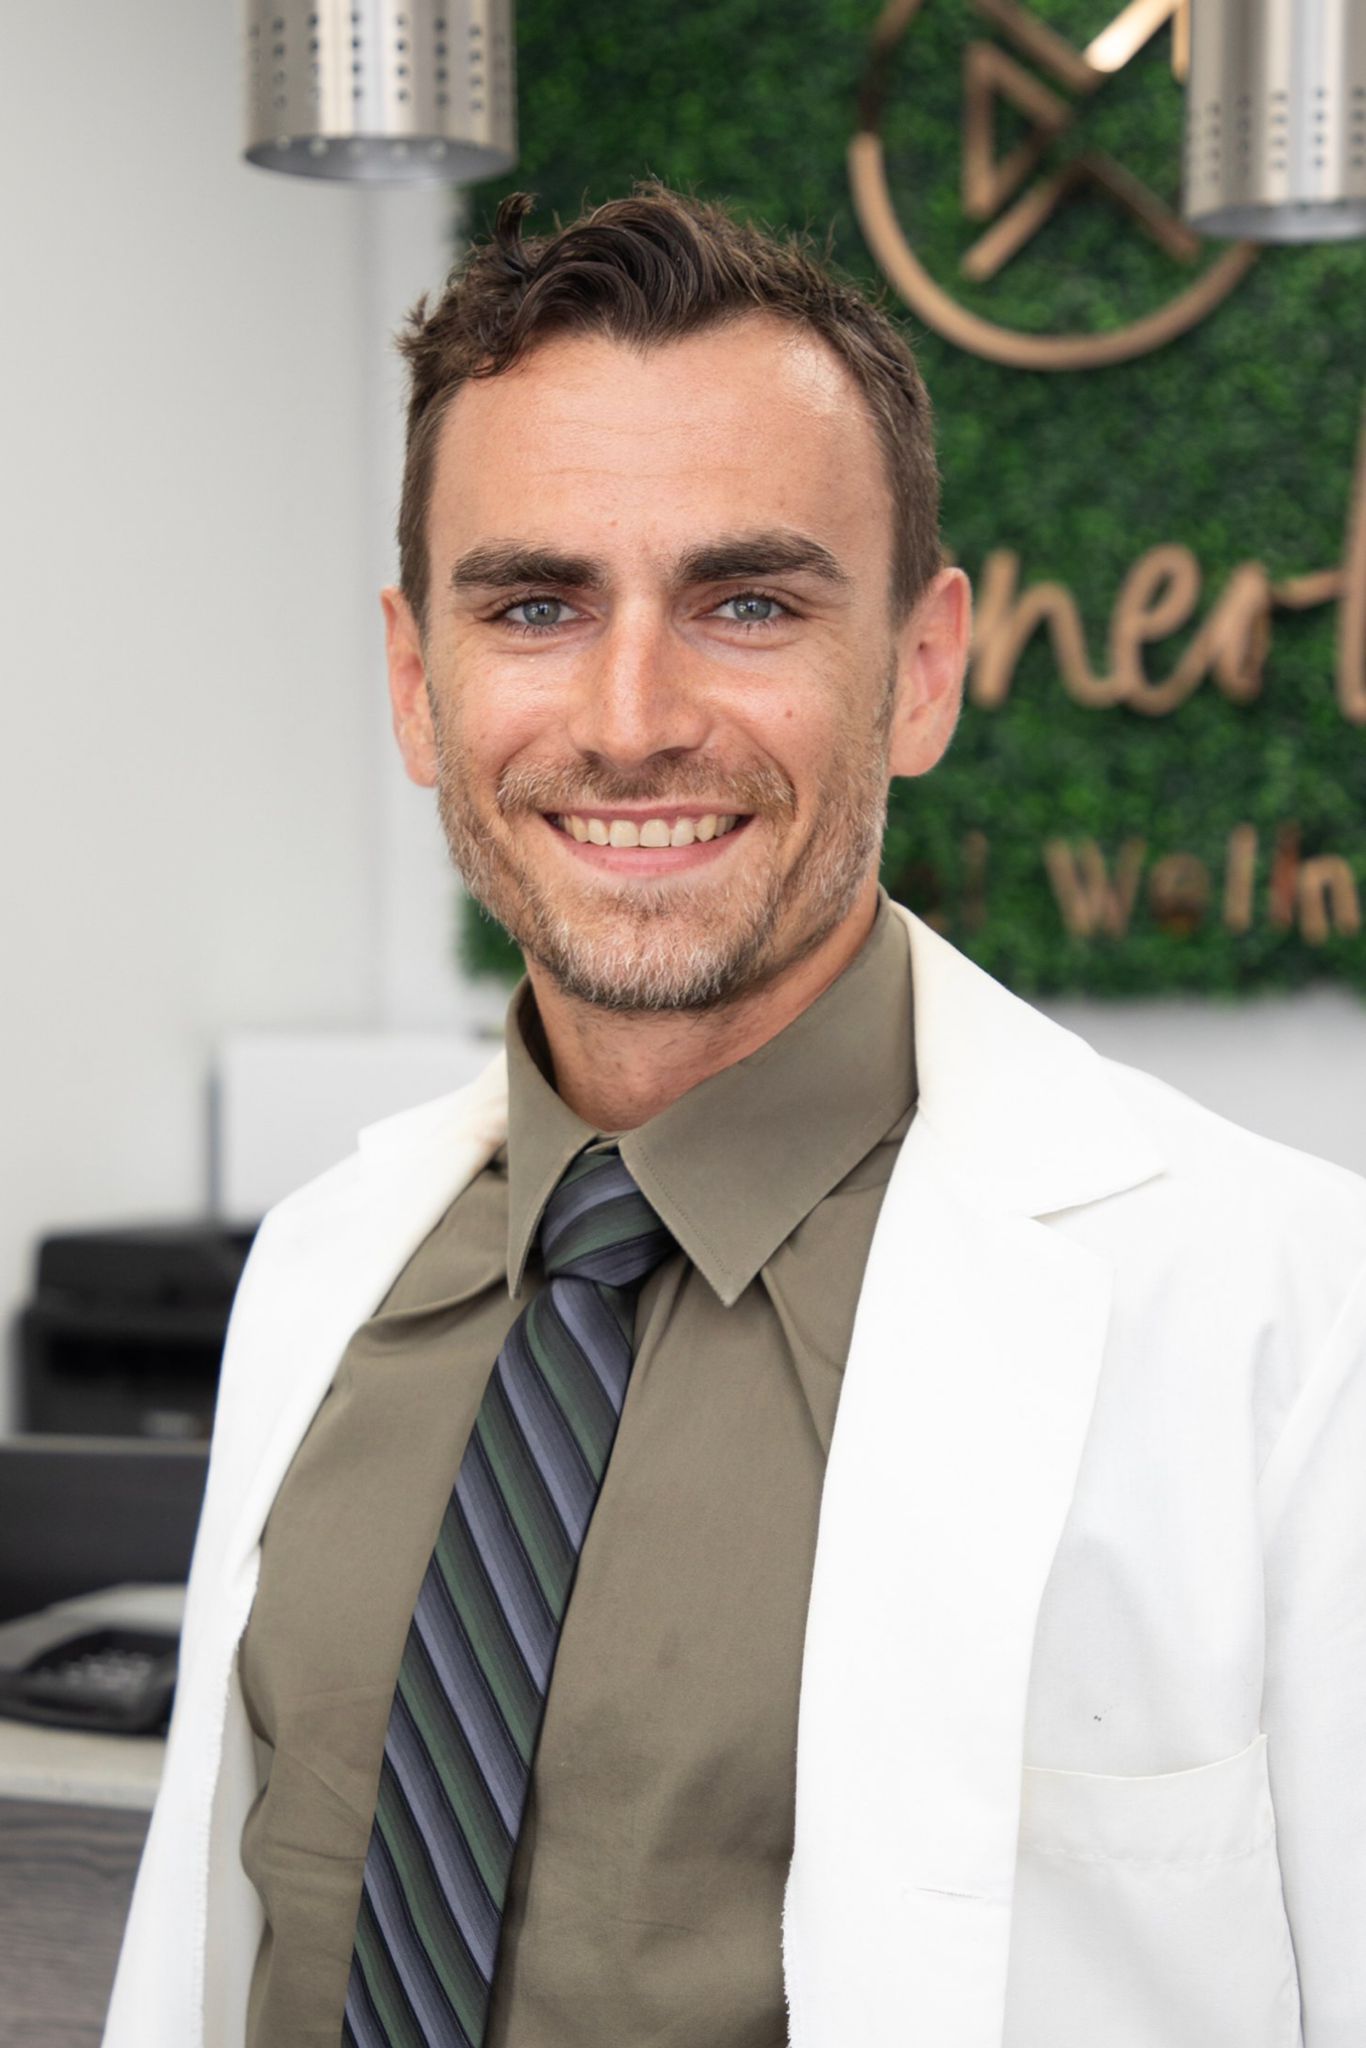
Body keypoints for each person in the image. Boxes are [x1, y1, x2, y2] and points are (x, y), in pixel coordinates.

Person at [105, 186, 1365, 2048]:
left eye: (746, 602)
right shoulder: (321, 1275)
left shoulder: (1289, 1311)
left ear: (920, 671)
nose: (628, 718)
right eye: (534, 604)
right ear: (415, 684)